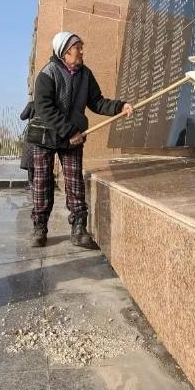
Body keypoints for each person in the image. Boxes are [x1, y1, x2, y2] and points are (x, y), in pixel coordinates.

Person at [28, 32, 132, 249]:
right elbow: (45, 108)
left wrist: (119, 107)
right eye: (78, 47)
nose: (82, 51)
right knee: (42, 183)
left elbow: (97, 102)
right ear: (66, 51)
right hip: (45, 136)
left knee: (75, 182)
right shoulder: (47, 74)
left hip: (72, 138)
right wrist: (69, 131)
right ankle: (40, 227)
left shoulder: (86, 74)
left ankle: (78, 229)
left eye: (81, 47)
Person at [19, 100, 35, 186]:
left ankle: (31, 183)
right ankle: (39, 183)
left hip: (32, 133)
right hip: (45, 133)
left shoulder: (32, 104)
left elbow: (22, 116)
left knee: (30, 159)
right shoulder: (48, 103)